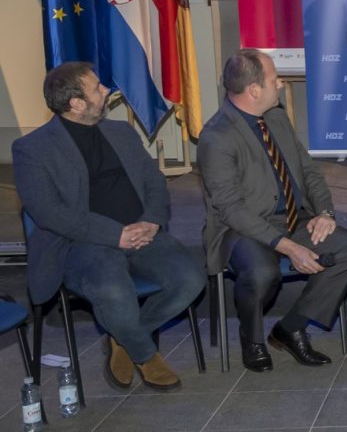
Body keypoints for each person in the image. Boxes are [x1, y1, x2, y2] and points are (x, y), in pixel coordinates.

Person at [13, 62, 204, 391]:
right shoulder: (32, 149)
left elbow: (154, 182)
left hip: (142, 232)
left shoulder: (120, 132)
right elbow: (49, 213)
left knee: (191, 279)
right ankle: (144, 353)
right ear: (76, 103)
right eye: (98, 88)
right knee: (114, 291)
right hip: (82, 243)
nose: (107, 92)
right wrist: (115, 235)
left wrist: (153, 221)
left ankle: (123, 338)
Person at [198, 49, 347, 373]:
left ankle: (290, 328)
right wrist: (289, 247)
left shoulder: (276, 117)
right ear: (254, 90)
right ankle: (252, 338)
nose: (281, 85)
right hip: (243, 229)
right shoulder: (217, 137)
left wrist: (325, 213)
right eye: (275, 80)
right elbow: (232, 209)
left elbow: (309, 170)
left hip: (293, 218)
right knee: (263, 272)